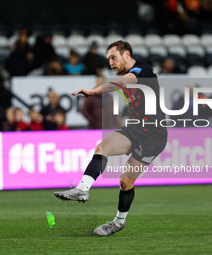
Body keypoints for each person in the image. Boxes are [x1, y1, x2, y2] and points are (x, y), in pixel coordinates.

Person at [54, 41, 168, 237]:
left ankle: (118, 222)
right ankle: (82, 188)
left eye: (113, 58)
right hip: (135, 128)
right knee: (101, 147)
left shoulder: (143, 69)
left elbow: (123, 83)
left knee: (125, 181)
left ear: (127, 54)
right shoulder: (127, 75)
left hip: (154, 136)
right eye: (108, 60)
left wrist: (93, 91)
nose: (111, 63)